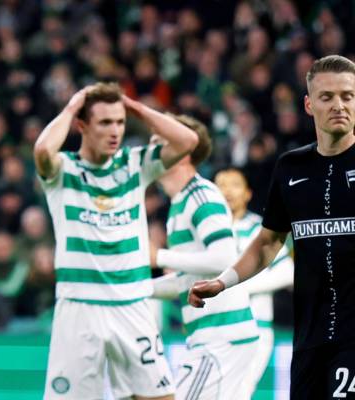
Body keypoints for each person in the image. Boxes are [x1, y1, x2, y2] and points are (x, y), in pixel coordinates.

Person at [189, 54, 355, 399]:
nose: (338, 105)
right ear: (309, 105)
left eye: (348, 96)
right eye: (327, 97)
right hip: (309, 339)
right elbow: (268, 242)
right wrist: (223, 282)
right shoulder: (290, 167)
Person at [34, 82, 198, 400]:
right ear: (82, 126)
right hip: (79, 307)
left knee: (160, 397)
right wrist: (71, 107)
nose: (115, 131)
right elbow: (42, 151)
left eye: (120, 122)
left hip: (131, 303)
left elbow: (187, 140)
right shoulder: (63, 169)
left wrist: (134, 107)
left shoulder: (135, 164)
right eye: (105, 122)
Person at [149, 115, 258, 400]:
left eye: (158, 144)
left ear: (182, 151)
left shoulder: (201, 196)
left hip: (221, 338)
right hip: (214, 337)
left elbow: (224, 259)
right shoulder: (179, 203)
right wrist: (135, 289)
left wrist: (158, 256)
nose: (149, 153)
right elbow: (188, 280)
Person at [213, 167, 294, 396]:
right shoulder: (205, 228)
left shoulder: (260, 229)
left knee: (239, 393)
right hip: (213, 327)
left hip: (254, 326)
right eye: (221, 185)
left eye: (235, 185)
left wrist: (235, 287)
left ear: (248, 193)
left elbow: (287, 272)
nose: (227, 191)